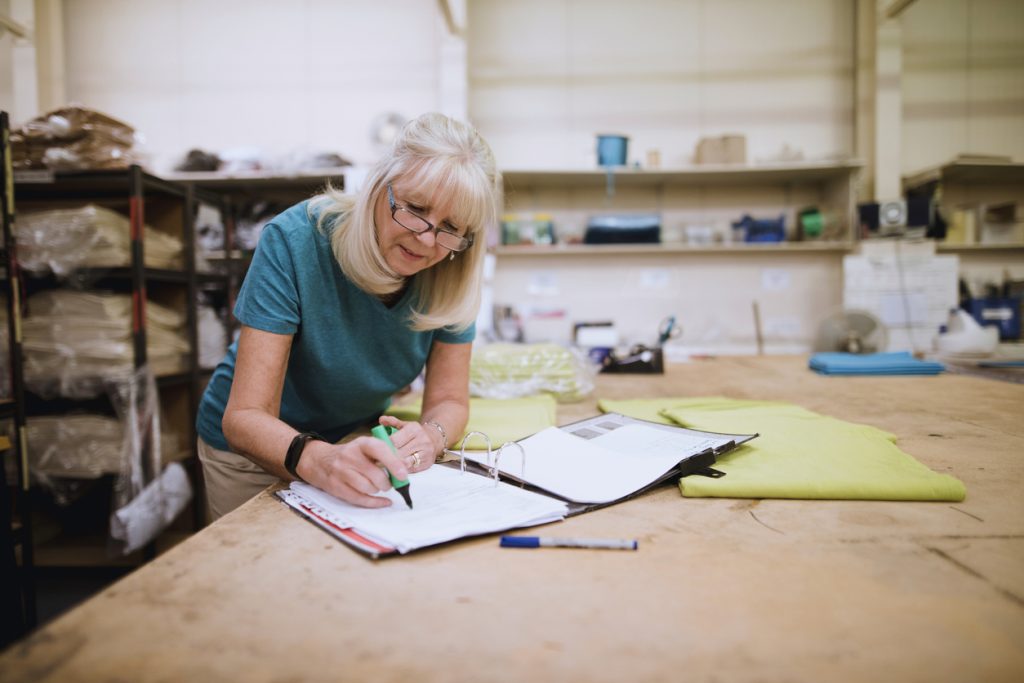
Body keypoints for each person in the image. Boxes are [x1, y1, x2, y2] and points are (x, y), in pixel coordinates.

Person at [195, 112, 499, 521]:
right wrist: (319, 460)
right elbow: (245, 418)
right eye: (414, 209)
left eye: (450, 228)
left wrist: (431, 437)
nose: (427, 240)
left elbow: (448, 399)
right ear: (378, 187)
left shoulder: (452, 270)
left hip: (351, 440)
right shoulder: (297, 240)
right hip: (251, 452)